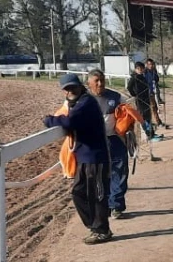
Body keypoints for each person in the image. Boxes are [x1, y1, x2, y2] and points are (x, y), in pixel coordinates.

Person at [44, 73, 113, 245]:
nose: (70, 91)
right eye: (66, 89)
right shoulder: (79, 103)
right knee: (78, 192)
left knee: (97, 195)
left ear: (80, 86)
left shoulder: (86, 103)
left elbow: (68, 123)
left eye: (72, 87)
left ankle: (101, 230)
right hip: (84, 157)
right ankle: (95, 226)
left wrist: (49, 119)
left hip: (95, 158)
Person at [86, 69, 143, 219]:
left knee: (119, 171)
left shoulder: (116, 97)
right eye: (96, 81)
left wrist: (129, 125)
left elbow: (131, 109)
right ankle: (102, 205)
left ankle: (116, 206)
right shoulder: (83, 99)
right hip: (94, 143)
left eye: (102, 80)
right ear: (89, 83)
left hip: (114, 140)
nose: (100, 83)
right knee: (98, 175)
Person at [127, 62, 160, 141]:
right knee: (143, 117)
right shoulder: (134, 78)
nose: (140, 70)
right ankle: (148, 134)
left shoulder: (143, 77)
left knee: (148, 116)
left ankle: (151, 133)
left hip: (146, 98)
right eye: (138, 69)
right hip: (140, 100)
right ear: (135, 69)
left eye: (142, 68)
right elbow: (129, 87)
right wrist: (134, 94)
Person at [144, 59, 166, 129]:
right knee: (150, 108)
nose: (151, 66)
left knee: (154, 107)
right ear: (146, 65)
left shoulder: (153, 71)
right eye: (149, 64)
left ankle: (157, 122)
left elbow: (156, 80)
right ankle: (153, 123)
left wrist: (155, 72)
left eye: (152, 64)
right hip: (146, 93)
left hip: (152, 92)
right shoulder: (145, 72)